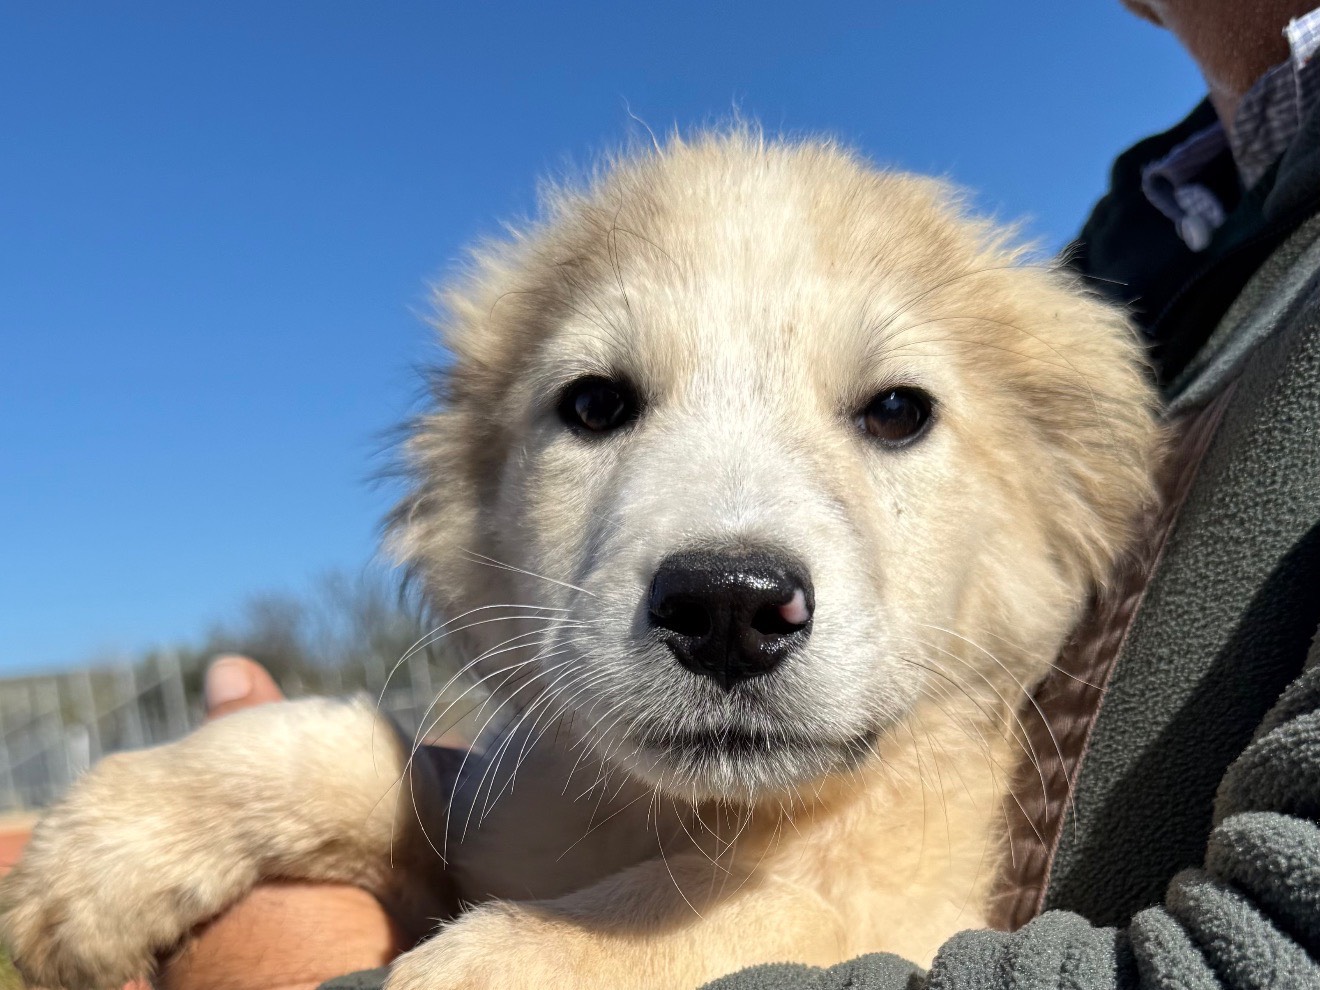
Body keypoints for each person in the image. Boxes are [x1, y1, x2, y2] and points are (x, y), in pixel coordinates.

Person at [158, 2, 1320, 987]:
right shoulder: (1167, 250)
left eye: (894, 411)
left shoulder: (1081, 330)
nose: (730, 567)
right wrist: (343, 787)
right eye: (599, 404)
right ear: (459, 493)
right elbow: (527, 816)